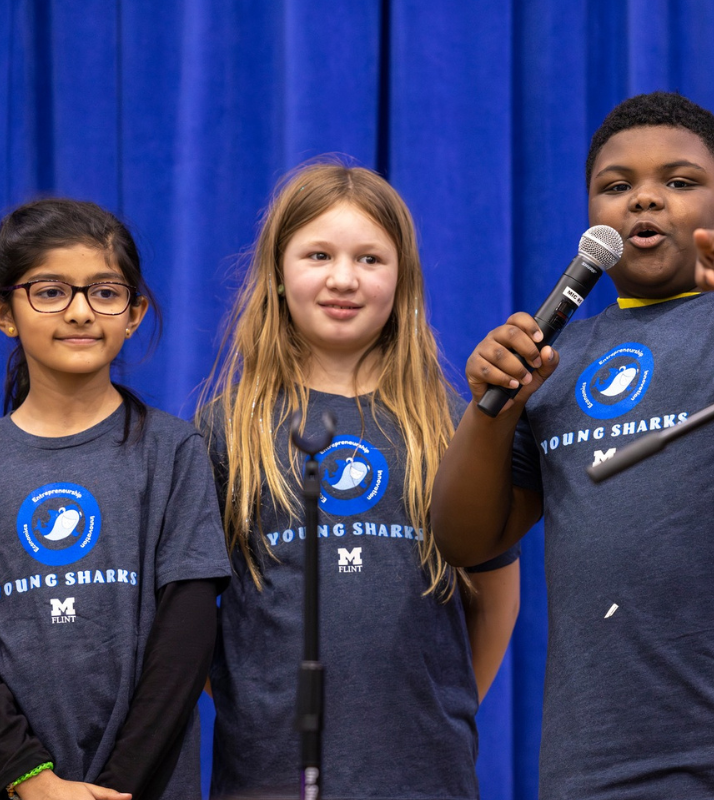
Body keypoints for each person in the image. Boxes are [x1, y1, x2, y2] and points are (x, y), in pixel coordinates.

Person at [431, 92, 714, 799]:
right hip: (603, 770)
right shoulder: (556, 356)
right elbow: (466, 537)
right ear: (592, 219)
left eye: (678, 183)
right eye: (617, 188)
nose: (645, 201)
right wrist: (493, 411)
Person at [201, 162, 521, 800]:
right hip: (268, 779)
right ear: (277, 271)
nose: (343, 278)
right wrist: (256, 704)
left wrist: (442, 709)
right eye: (318, 254)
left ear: (402, 280)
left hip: (425, 776)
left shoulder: (455, 427)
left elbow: (498, 599)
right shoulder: (224, 429)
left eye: (370, 259)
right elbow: (195, 621)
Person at [0, 199, 230, 800]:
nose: (81, 312)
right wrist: (33, 780)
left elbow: (187, 644)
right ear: (2, 312)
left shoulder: (174, 452)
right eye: (51, 291)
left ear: (134, 312)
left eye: (105, 292)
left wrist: (117, 787)